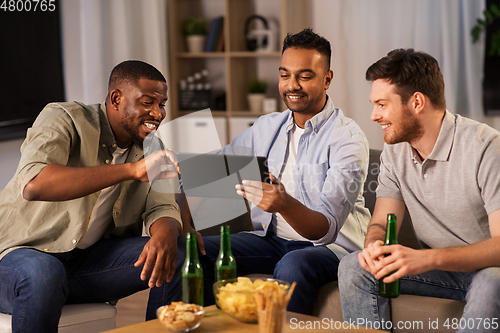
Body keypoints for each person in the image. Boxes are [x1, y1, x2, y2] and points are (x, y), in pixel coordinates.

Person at [160, 28, 370, 315]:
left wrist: (284, 204)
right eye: (285, 75)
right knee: (189, 251)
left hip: (331, 249)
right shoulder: (267, 127)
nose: (292, 85)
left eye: (305, 76)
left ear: (327, 79)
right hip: (270, 240)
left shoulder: (348, 138)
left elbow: (326, 229)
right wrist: (186, 226)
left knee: (294, 264)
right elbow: (205, 174)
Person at [0, 60, 184, 333]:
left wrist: (166, 235)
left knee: (174, 253)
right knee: (44, 274)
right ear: (117, 98)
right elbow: (35, 183)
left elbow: (163, 206)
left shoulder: (152, 147)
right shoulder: (63, 117)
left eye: (162, 104)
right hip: (20, 256)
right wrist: (131, 171)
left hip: (83, 265)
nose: (158, 113)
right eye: (147, 102)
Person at [338, 49, 500, 332]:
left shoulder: (486, 148)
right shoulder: (395, 152)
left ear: (416, 102)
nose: (374, 115)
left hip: (491, 271)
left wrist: (426, 258)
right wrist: (375, 246)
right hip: (446, 274)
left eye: (381, 104)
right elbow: (380, 222)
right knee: (354, 268)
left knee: (489, 282)